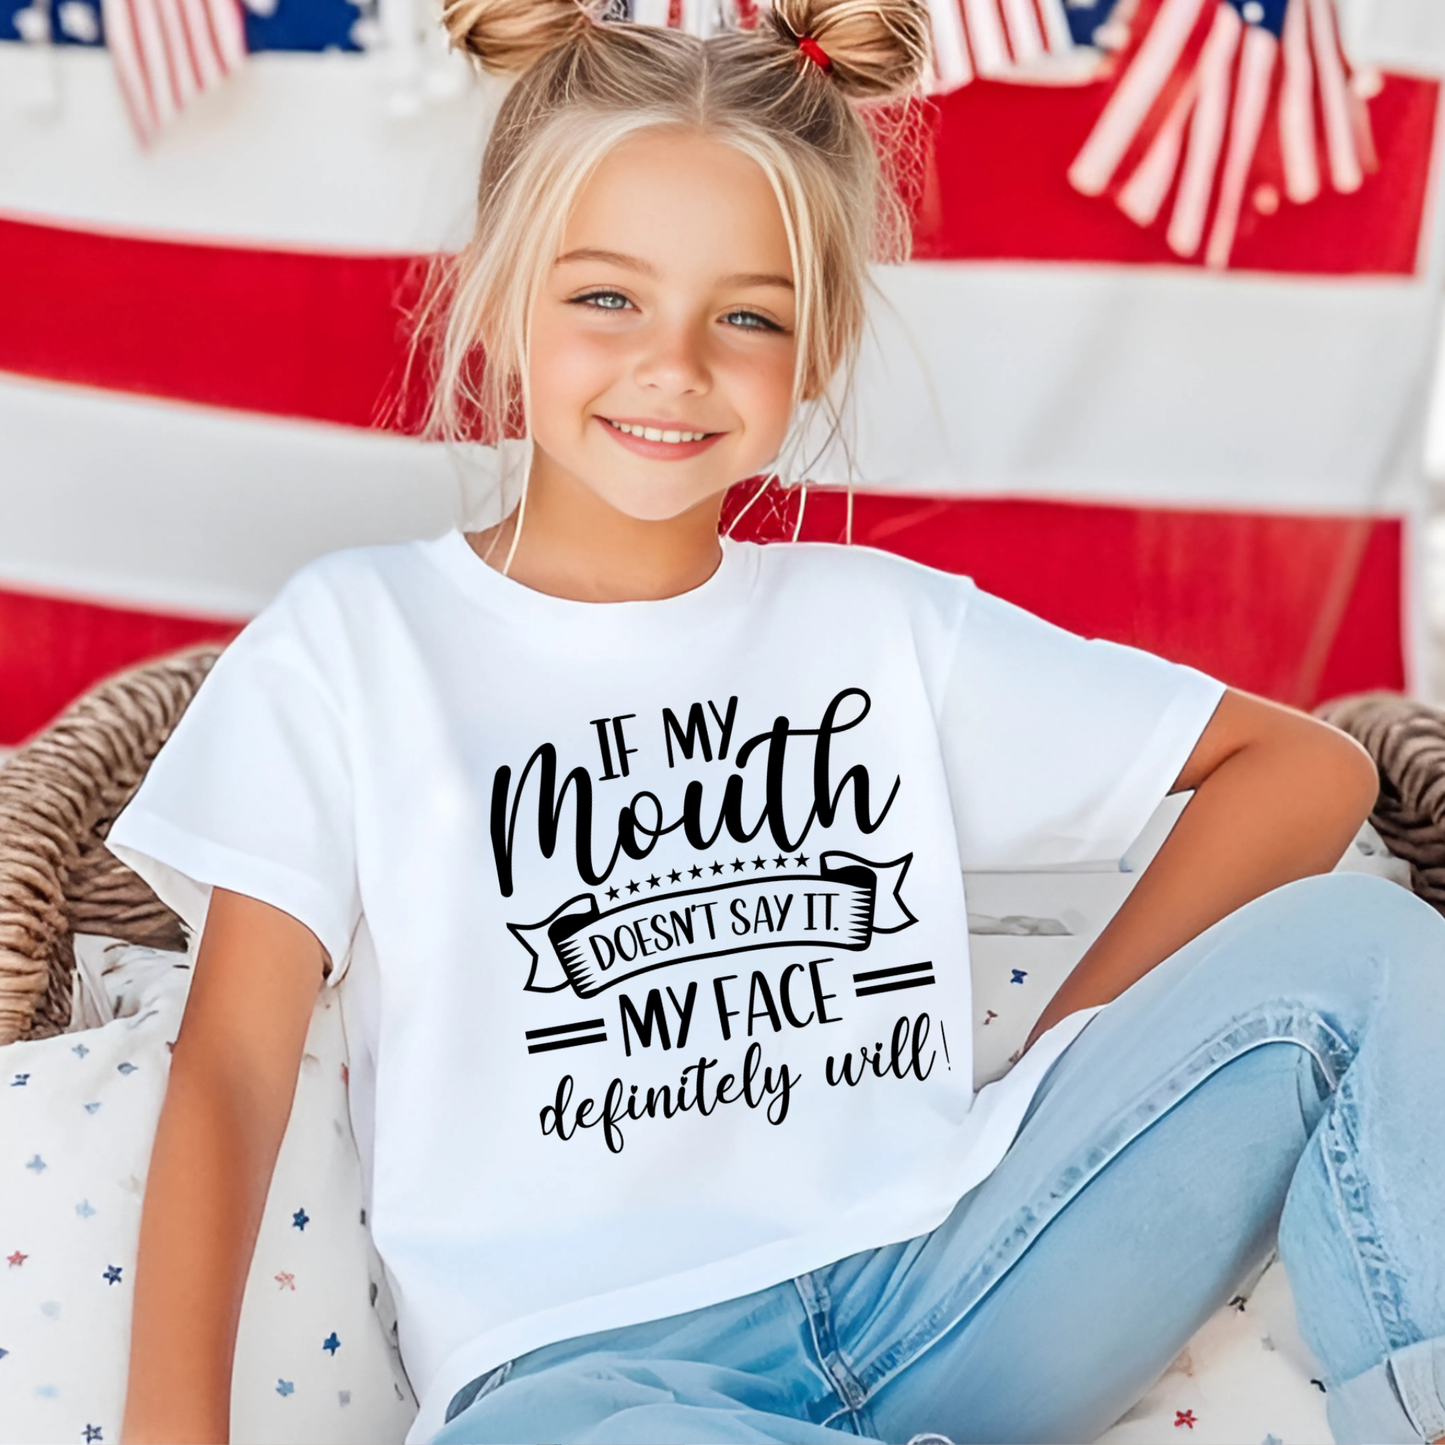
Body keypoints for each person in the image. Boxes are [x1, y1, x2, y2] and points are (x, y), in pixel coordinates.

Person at [111, 1, 1445, 1441]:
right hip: (587, 1386)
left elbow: (1299, 770)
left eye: (747, 315)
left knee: (1373, 949)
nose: (673, 363)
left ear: (817, 352)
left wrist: (1048, 1074)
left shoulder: (879, 628)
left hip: (949, 1289)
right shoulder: (353, 644)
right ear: (498, 300)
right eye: (605, 296)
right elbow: (234, 1074)